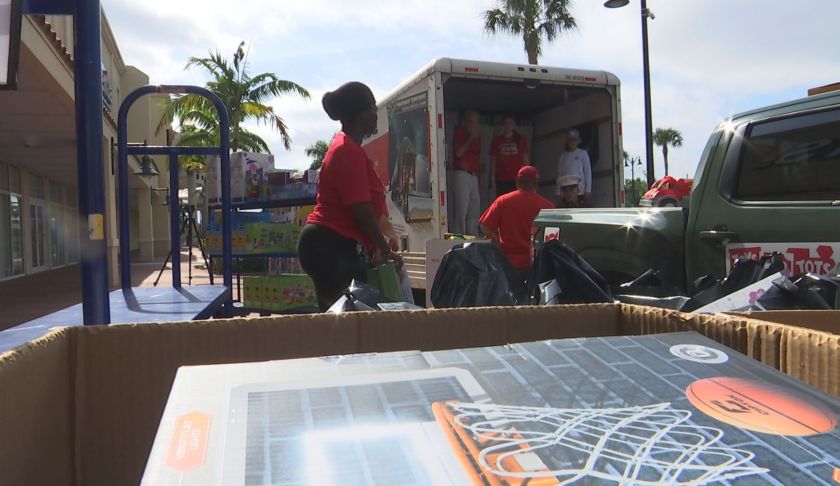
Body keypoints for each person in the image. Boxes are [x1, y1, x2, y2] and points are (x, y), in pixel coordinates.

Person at [297, 81, 400, 311]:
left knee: (349, 321)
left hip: (333, 244)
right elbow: (361, 212)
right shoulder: (346, 151)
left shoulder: (349, 148)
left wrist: (380, 245)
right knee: (348, 322)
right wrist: (384, 249)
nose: (376, 114)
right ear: (362, 114)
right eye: (373, 108)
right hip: (329, 245)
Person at [479, 166, 554, 278]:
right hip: (536, 265)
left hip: (508, 263)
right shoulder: (548, 207)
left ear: (517, 182)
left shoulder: (503, 201)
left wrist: (496, 241)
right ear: (536, 183)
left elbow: (485, 225)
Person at [450, 109, 481, 235]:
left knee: (474, 209)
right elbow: (458, 153)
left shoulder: (478, 136)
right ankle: (459, 239)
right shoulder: (460, 133)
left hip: (473, 175)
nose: (473, 125)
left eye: (475, 123)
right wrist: (470, 139)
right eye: (470, 122)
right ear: (465, 122)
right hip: (461, 173)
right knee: (461, 210)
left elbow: (477, 155)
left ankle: (472, 238)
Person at [489, 115, 530, 197]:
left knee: (517, 200)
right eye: (506, 123)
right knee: (503, 200)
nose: (508, 126)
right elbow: (493, 161)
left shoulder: (520, 139)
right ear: (503, 125)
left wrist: (528, 175)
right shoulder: (497, 141)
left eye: (511, 123)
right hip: (501, 178)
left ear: (514, 125)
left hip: (517, 178)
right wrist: (492, 179)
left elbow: (525, 158)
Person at [557, 129, 591, 203]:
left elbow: (587, 172)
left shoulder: (583, 154)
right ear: (567, 141)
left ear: (579, 141)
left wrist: (588, 190)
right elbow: (560, 174)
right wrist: (558, 191)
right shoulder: (563, 156)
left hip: (579, 191)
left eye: (574, 140)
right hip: (566, 192)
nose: (572, 142)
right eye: (570, 140)